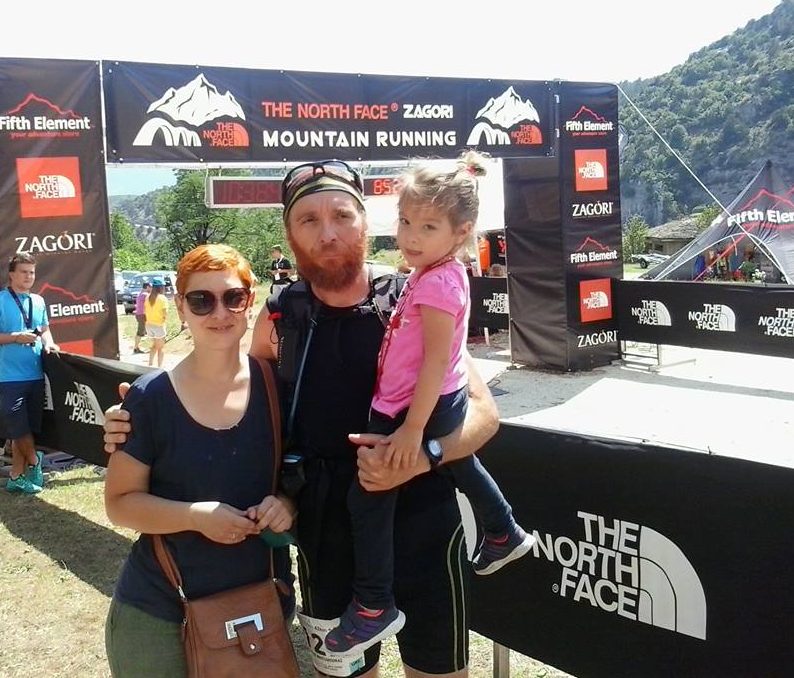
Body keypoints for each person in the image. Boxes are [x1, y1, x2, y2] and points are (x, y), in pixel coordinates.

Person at [105, 159, 502, 678]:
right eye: (308, 220)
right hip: (324, 531)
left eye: (341, 215)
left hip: (422, 522)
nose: (327, 233)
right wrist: (135, 412)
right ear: (289, 234)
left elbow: (483, 413)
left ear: (366, 222)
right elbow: (239, 397)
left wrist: (422, 457)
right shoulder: (279, 317)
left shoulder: (412, 298)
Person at [324, 153, 533, 653]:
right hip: (428, 401)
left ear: (461, 233)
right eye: (405, 222)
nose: (411, 237)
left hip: (413, 406)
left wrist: (412, 430)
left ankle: (374, 606)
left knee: (368, 496)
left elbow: (437, 359)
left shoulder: (438, 281)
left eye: (428, 226)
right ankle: (503, 529)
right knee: (461, 463)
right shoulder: (434, 271)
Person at [103, 244, 295, 678]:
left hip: (259, 603)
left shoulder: (276, 388)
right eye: (201, 300)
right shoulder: (151, 398)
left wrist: (287, 504)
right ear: (181, 307)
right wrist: (194, 516)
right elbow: (120, 503)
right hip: (161, 613)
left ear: (250, 302)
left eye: (233, 297)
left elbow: (304, 475)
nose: (219, 313)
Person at [0, 253, 59, 494]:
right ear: (11, 274)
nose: (28, 276)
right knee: (18, 428)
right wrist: (14, 337)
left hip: (35, 373)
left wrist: (49, 343)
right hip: (9, 377)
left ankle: (16, 476)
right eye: (23, 272)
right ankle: (35, 460)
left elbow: (44, 329)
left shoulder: (38, 300)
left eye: (32, 272)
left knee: (26, 429)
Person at [144, 279, 169, 368]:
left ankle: (150, 364)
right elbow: (165, 313)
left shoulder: (147, 297)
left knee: (154, 345)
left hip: (149, 325)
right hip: (159, 325)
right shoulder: (162, 298)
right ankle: (159, 367)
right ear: (161, 287)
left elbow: (145, 311)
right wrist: (164, 319)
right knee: (161, 348)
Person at [133, 281, 152, 354]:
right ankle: (136, 348)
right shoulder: (145, 294)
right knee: (140, 331)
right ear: (147, 287)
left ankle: (153, 346)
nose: (151, 289)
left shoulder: (140, 294)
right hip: (142, 315)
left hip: (140, 314)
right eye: (150, 287)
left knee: (147, 330)